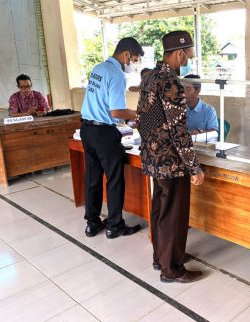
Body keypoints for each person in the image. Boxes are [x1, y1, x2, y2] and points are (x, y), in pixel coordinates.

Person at [136, 30, 205, 283]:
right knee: (174, 215)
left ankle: (162, 257)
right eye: (189, 53)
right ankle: (171, 270)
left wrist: (151, 146)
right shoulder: (172, 82)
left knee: (160, 210)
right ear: (179, 53)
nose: (190, 58)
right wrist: (194, 166)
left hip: (152, 156)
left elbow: (141, 119)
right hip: (172, 162)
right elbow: (179, 130)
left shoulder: (150, 77)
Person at [80, 37, 144, 239]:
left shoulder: (98, 68)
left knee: (92, 178)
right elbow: (116, 111)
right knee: (114, 180)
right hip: (104, 134)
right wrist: (141, 114)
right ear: (126, 55)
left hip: (87, 130)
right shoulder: (117, 75)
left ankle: (92, 223)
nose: (133, 64)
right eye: (134, 59)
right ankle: (114, 226)